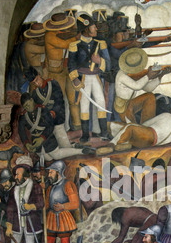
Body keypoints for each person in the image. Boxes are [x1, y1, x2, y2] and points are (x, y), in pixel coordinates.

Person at [68, 13, 111, 142]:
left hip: (96, 77)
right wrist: (75, 79)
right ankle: (85, 134)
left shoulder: (100, 44)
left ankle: (104, 132)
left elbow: (108, 65)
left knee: (101, 103)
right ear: (86, 28)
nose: (96, 29)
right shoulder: (74, 45)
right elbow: (71, 65)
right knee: (84, 105)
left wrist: (99, 61)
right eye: (93, 27)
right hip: (83, 79)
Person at [4, 155, 44, 243]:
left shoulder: (35, 187)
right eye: (15, 174)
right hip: (16, 224)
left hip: (30, 223)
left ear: (25, 174)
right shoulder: (13, 190)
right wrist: (9, 226)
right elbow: (10, 208)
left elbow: (41, 204)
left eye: (18, 174)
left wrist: (30, 206)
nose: (15, 177)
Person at [18, 93, 85, 160]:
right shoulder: (23, 116)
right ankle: (73, 145)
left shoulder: (42, 110)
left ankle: (81, 151)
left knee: (56, 155)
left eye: (28, 105)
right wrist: (26, 143)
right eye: (25, 107)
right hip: (36, 142)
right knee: (48, 158)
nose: (27, 108)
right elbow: (21, 131)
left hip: (47, 137)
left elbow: (50, 126)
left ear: (31, 100)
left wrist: (42, 138)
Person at [43, 12, 80, 130]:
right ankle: (59, 127)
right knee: (58, 100)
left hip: (68, 69)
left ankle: (76, 125)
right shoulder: (49, 35)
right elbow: (66, 44)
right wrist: (77, 36)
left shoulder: (64, 33)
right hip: (56, 71)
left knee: (73, 98)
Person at [45, 160, 79, 243]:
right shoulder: (50, 188)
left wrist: (63, 206)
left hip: (64, 218)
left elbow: (75, 203)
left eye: (51, 172)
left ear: (58, 172)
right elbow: (46, 204)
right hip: (51, 218)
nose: (49, 175)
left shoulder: (68, 185)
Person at [25, 66, 73, 149]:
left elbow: (59, 102)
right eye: (34, 83)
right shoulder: (35, 94)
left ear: (39, 75)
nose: (37, 84)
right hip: (46, 125)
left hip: (57, 120)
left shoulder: (53, 84)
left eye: (37, 80)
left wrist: (52, 113)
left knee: (65, 147)